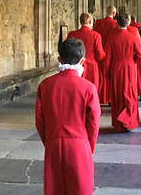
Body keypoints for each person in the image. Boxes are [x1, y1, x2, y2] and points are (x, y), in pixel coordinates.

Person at [36, 38, 101, 195]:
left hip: (53, 143)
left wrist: (50, 141)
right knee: (80, 188)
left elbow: (40, 120)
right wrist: (88, 146)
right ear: (83, 61)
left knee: (55, 188)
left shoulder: (45, 85)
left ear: (59, 59)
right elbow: (93, 122)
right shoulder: (88, 88)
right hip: (79, 144)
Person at [105, 14, 141, 132]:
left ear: (117, 23)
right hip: (129, 67)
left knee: (117, 95)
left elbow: (107, 58)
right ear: (128, 23)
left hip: (116, 67)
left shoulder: (112, 37)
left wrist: (107, 72)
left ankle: (118, 123)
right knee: (129, 93)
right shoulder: (133, 37)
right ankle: (128, 120)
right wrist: (133, 61)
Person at [67, 13, 106, 93]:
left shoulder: (72, 34)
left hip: (75, 67)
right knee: (91, 92)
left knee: (76, 91)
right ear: (90, 21)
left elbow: (67, 50)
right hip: (91, 68)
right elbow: (100, 55)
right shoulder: (96, 35)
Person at [93, 5, 118, 105]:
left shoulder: (98, 22)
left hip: (98, 52)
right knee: (109, 77)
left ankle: (99, 97)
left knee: (100, 76)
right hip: (111, 54)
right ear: (114, 13)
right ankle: (109, 99)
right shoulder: (115, 24)